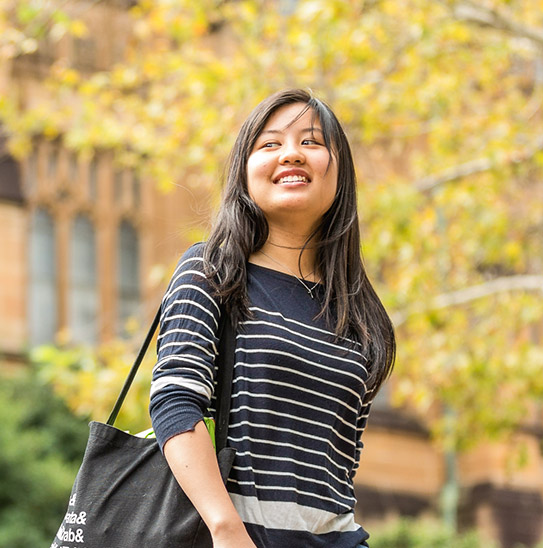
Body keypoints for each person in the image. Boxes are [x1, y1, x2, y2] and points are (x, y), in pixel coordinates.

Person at [147, 89, 396, 548]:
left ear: (339, 171)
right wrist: (226, 529)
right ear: (244, 172)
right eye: (270, 144)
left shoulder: (362, 314)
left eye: (312, 142)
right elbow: (174, 403)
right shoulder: (213, 271)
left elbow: (338, 468)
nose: (291, 155)